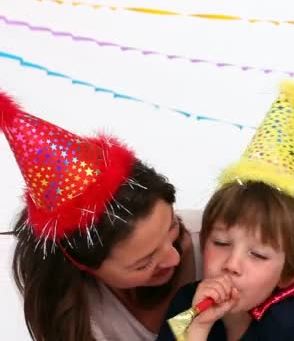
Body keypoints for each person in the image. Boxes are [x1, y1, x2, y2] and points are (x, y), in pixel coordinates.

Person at [0, 91, 202, 341]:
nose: (173, 257)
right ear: (87, 267)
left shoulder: (217, 242)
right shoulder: (78, 311)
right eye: (144, 262)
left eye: (172, 227)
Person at [157, 80, 294, 341]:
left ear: (290, 273)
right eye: (221, 242)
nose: (232, 265)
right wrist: (197, 328)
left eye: (257, 254)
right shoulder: (186, 305)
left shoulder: (289, 329)